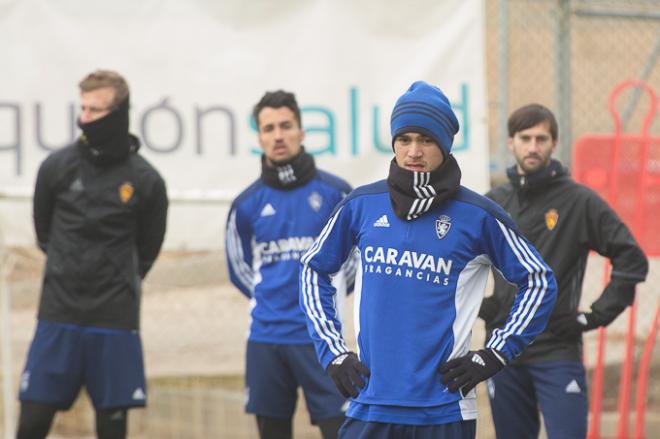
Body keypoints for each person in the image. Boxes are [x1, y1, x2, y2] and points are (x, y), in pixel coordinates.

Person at [299, 80, 558, 439]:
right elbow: (314, 270)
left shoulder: (479, 215)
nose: (414, 151)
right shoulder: (361, 205)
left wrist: (495, 354)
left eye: (426, 139)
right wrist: (333, 352)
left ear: (445, 145)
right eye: (404, 139)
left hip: (444, 411)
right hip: (370, 405)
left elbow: (539, 282)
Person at [478, 103, 649, 438]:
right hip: (502, 352)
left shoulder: (579, 201)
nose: (533, 146)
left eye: (541, 138)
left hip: (556, 350)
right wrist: (483, 306)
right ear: (510, 142)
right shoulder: (493, 202)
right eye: (525, 138)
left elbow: (632, 259)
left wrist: (595, 316)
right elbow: (459, 262)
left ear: (554, 144)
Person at [17, 70, 168, 439]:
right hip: (58, 315)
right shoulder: (56, 167)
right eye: (82, 108)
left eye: (95, 110)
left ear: (118, 115)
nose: (85, 118)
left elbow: (147, 249)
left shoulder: (146, 180)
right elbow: (45, 233)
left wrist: (116, 276)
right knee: (32, 425)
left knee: (112, 430)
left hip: (114, 320)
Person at [225, 90, 355, 439]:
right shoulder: (245, 204)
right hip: (266, 339)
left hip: (323, 341)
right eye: (269, 128)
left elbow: (355, 263)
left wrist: (326, 300)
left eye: (285, 126)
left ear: (301, 131)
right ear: (259, 137)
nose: (278, 135)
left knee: (340, 431)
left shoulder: (336, 194)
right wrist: (272, 297)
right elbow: (240, 271)